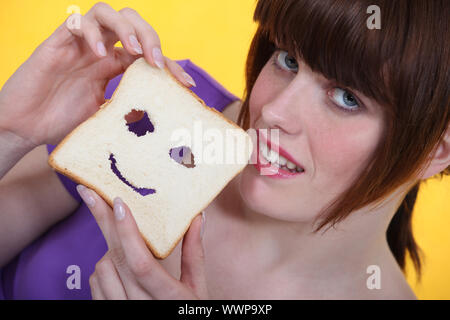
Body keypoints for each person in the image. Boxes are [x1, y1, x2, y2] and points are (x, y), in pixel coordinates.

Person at [0, 0, 448, 299]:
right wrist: (11, 135)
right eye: (288, 60)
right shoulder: (157, 115)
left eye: (347, 97)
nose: (274, 111)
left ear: (437, 150)